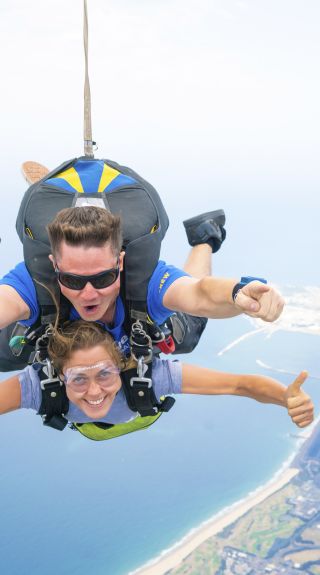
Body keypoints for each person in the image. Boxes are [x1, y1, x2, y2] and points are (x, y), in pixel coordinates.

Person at [0, 206, 284, 360]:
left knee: (190, 324)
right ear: (55, 266)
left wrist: (240, 294)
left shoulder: (145, 281)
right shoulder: (33, 283)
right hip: (52, 341)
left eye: (103, 278)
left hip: (141, 337)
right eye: (72, 279)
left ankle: (205, 237)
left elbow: (200, 294)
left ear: (120, 264)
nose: (88, 293)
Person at [0, 321, 313, 440]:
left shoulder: (149, 378)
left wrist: (285, 397)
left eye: (105, 374)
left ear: (121, 365)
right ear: (60, 375)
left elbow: (239, 384)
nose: (95, 391)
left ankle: (205, 237)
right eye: (79, 379)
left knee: (186, 330)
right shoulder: (37, 385)